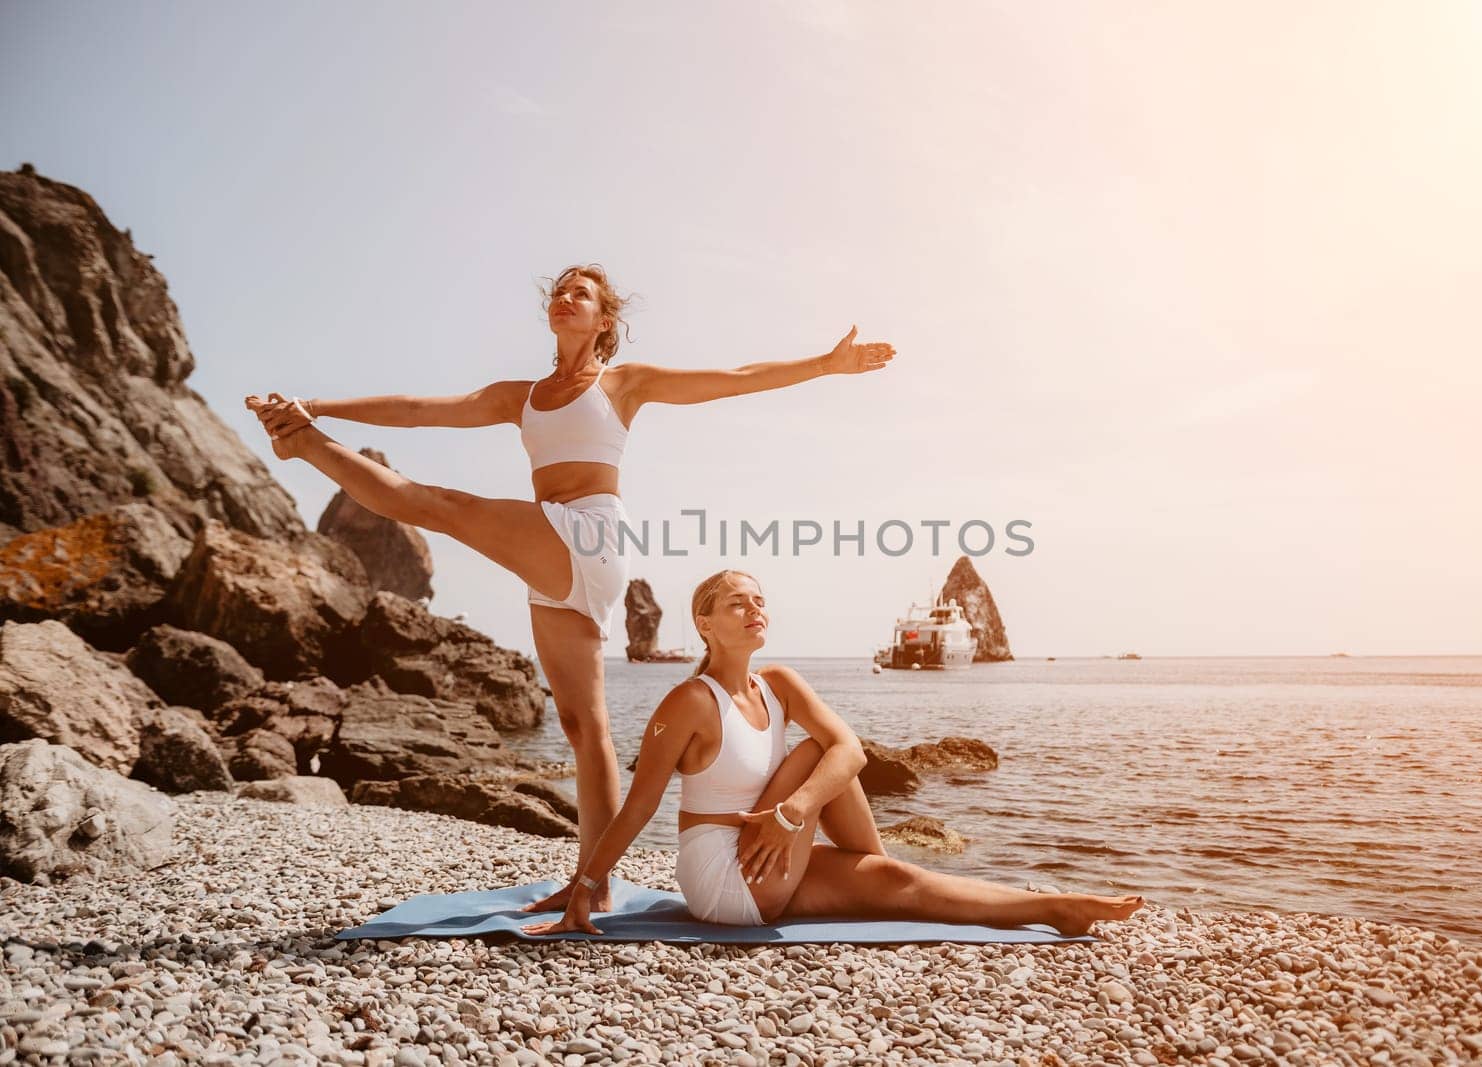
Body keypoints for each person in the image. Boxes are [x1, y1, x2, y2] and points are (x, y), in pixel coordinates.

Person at [244, 265, 894, 914]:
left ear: (604, 320)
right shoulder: (518, 395)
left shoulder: (622, 383)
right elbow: (417, 411)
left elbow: (738, 379)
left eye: (580, 294)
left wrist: (827, 364)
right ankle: (596, 882)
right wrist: (320, 402)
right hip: (555, 560)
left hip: (586, 535)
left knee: (438, 503)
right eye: (558, 292)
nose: (564, 299)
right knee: (584, 726)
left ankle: (301, 444)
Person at [520, 570, 1144, 936]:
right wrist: (587, 885)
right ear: (704, 624)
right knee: (810, 754)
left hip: (775, 847)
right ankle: (858, 866)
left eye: (759, 600)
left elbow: (852, 752)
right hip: (723, 877)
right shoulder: (689, 700)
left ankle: (1055, 907)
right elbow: (640, 806)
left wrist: (793, 814)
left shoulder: (781, 684)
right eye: (737, 602)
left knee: (894, 874)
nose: (754, 608)